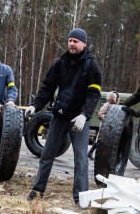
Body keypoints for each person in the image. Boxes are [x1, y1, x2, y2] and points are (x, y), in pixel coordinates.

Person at [25, 28, 102, 205]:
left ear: (84, 44)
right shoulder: (61, 62)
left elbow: (94, 94)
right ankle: (37, 191)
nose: (71, 44)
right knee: (47, 155)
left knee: (81, 160)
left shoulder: (92, 66)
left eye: (75, 41)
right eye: (70, 41)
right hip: (59, 116)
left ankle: (81, 199)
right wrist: (35, 105)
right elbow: (47, 87)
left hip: (79, 120)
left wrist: (84, 115)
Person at [87, 91, 120, 160]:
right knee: (99, 140)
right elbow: (100, 114)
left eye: (116, 97)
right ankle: (91, 152)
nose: (115, 99)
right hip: (105, 125)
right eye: (114, 97)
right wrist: (108, 120)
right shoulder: (107, 105)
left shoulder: (116, 106)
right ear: (111, 97)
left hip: (112, 126)